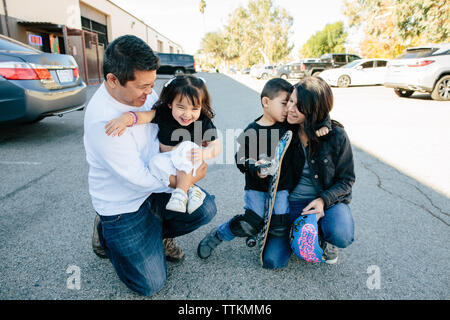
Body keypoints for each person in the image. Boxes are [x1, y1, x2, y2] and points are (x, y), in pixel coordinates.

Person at [83, 35, 217, 296]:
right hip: (125, 205)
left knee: (206, 208)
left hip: (156, 189)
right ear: (113, 80)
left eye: (152, 84)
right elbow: (137, 177)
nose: (149, 93)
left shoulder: (144, 94)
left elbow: (168, 122)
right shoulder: (102, 120)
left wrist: (197, 154)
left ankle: (155, 236)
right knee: (151, 284)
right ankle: (106, 232)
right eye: (143, 86)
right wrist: (184, 181)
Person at [196, 78, 329, 265]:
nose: (289, 109)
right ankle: (219, 234)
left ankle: (281, 240)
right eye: (284, 103)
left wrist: (325, 125)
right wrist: (254, 167)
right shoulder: (252, 131)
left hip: (281, 187)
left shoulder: (289, 127)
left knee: (280, 224)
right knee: (250, 223)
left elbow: (316, 113)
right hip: (256, 187)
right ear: (266, 102)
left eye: (291, 103)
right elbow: (239, 159)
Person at [262, 76, 355, 269]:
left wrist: (322, 201)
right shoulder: (285, 130)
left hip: (327, 201)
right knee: (272, 260)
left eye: (298, 105)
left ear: (313, 109)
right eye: (291, 101)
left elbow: (346, 180)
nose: (290, 108)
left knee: (341, 234)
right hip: (292, 202)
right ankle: (297, 230)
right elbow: (260, 125)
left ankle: (323, 236)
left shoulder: (336, 136)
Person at [104, 75, 221, 214]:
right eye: (181, 107)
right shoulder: (164, 114)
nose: (187, 114)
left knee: (185, 147)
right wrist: (126, 118)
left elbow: (216, 146)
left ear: (202, 106)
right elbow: (144, 116)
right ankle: (191, 189)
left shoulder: (203, 121)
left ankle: (180, 193)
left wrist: (204, 153)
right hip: (170, 164)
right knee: (154, 163)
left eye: (194, 109)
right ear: (170, 103)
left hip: (191, 162)